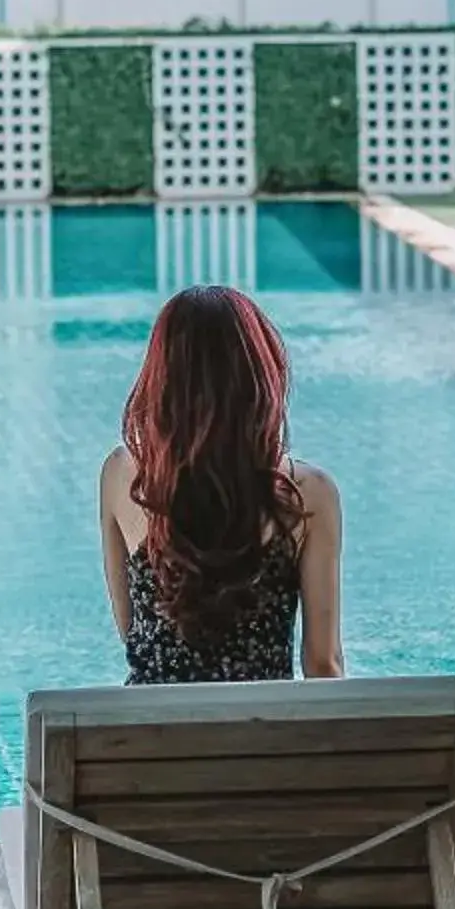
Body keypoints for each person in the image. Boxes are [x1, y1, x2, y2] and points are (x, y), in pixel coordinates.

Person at [101, 286, 343, 683]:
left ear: (162, 376)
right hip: (264, 738)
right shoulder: (309, 493)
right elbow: (323, 665)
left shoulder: (121, 475)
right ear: (260, 376)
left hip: (149, 739)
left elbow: (135, 638)